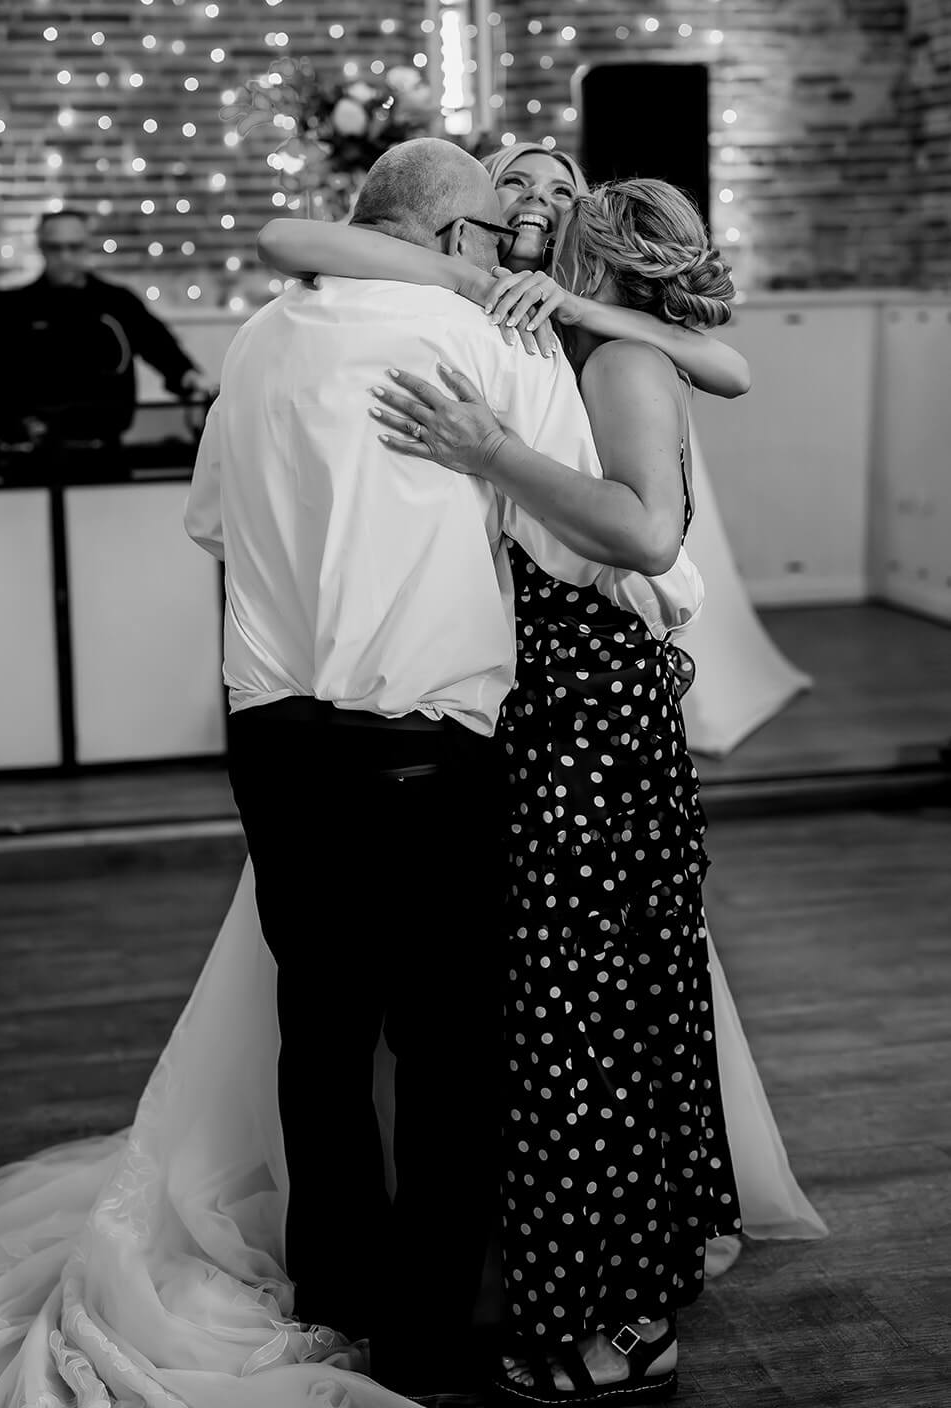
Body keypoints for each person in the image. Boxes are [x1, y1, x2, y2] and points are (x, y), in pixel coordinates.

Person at [181, 137, 716, 1404]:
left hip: (273, 736)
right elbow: (593, 540)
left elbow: (211, 522)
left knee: (318, 1033)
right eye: (490, 225)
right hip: (423, 745)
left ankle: (335, 1297)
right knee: (445, 1053)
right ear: (455, 240)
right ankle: (424, 1338)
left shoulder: (256, 338)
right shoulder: (493, 344)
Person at [0, 208, 213, 446]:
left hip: (105, 444)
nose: (65, 257)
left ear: (86, 247)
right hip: (38, 448)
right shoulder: (13, 310)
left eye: (74, 247)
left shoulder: (118, 302)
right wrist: (15, 427)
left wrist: (189, 377)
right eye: (55, 248)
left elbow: (159, 346)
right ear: (41, 248)